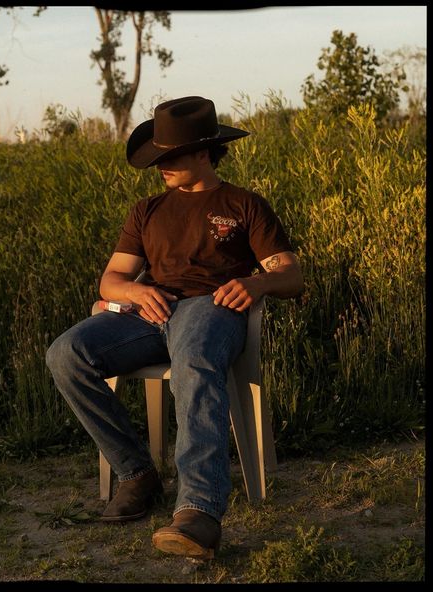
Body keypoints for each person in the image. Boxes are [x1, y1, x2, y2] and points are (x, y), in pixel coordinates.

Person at [46, 96, 304, 560]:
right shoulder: (146, 210)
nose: (160, 165)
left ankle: (198, 510)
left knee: (193, 355)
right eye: (157, 157)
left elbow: (291, 274)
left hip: (212, 307)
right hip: (150, 312)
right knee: (65, 353)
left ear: (205, 152)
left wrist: (255, 282)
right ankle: (136, 473)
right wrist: (135, 293)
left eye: (171, 156)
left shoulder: (244, 204)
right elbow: (113, 278)